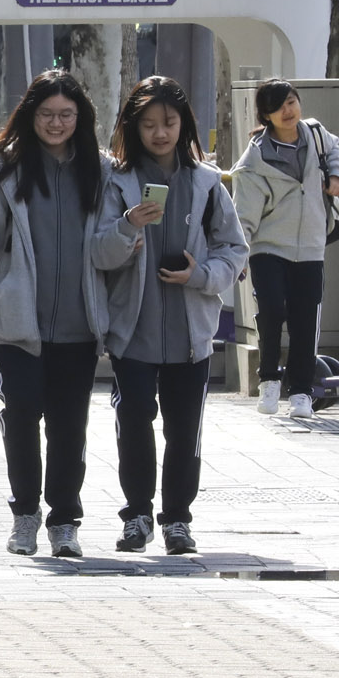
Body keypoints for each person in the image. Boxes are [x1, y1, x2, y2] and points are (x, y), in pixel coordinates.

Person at [0, 71, 111, 559]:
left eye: (66, 115)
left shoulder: (102, 170)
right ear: (30, 116)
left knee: (69, 425)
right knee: (20, 420)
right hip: (18, 323)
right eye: (47, 115)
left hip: (79, 324)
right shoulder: (4, 169)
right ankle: (25, 516)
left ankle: (64, 521)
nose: (56, 124)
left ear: (81, 118)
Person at [92, 76, 248, 556]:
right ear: (132, 127)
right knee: (133, 420)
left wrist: (201, 276)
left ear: (185, 125)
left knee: (184, 430)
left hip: (189, 333)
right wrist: (127, 228)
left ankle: (177, 519)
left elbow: (234, 249)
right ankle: (137, 514)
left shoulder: (206, 183)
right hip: (132, 331)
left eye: (170, 123)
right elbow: (97, 252)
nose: (160, 133)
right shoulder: (115, 183)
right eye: (149, 124)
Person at [231, 79, 339, 419]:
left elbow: (335, 150)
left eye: (292, 101)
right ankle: (268, 381)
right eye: (280, 105)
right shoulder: (256, 159)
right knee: (271, 310)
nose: (289, 110)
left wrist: (336, 176)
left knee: (305, 320)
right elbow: (244, 214)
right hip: (268, 247)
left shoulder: (316, 135)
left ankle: (300, 392)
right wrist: (238, 256)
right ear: (266, 115)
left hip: (311, 246)